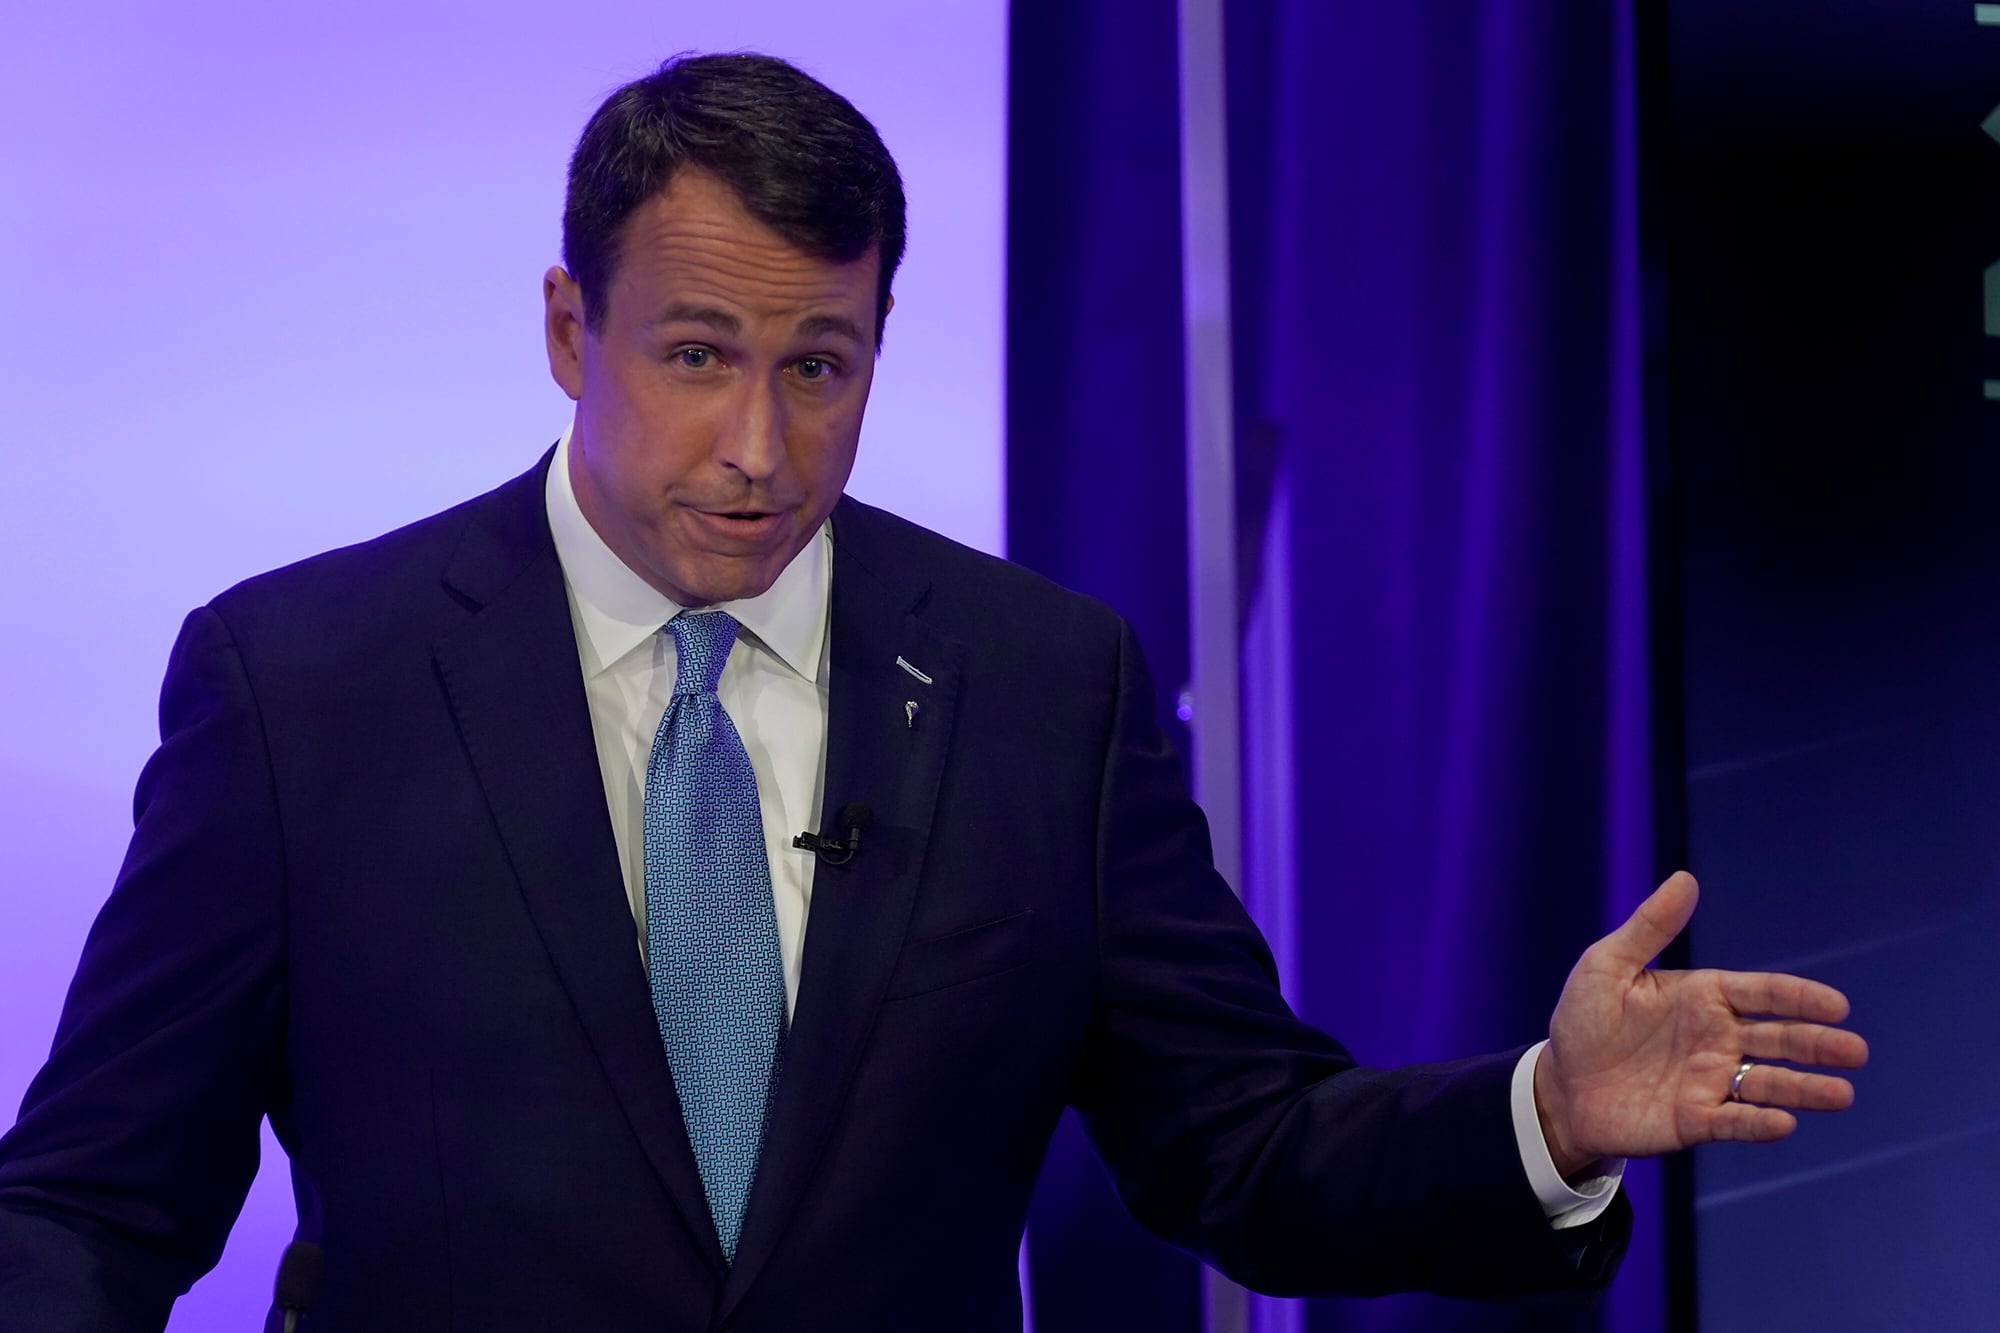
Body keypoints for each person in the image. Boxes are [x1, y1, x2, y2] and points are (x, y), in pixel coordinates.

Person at [0, 53, 1865, 1332]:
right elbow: (96, 1203)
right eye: (697, 354)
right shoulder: (300, 682)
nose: (758, 442)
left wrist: (1547, 1111)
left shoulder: (1039, 688)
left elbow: (1246, 1144)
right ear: (571, 329)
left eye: (821, 363)